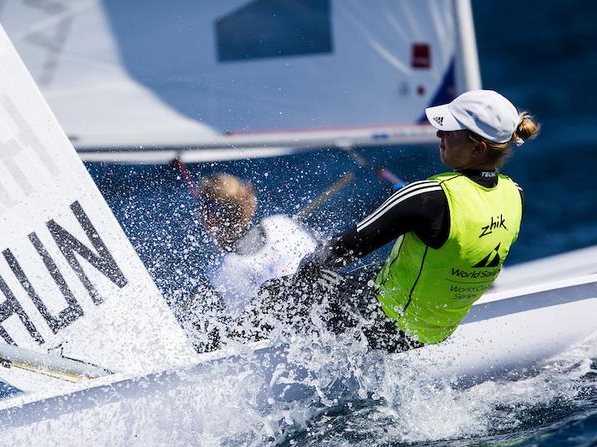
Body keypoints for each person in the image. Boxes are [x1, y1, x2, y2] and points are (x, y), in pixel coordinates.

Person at [257, 89, 540, 352]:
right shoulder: (516, 195)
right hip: (434, 331)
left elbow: (340, 251)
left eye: (450, 131)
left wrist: (302, 276)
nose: (440, 133)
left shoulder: (429, 196)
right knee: (366, 273)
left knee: (286, 286)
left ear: (477, 149)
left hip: (382, 324)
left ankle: (228, 349)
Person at [178, 173, 317, 349]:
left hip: (295, 339)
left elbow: (250, 329)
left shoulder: (225, 270)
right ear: (248, 203)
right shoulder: (281, 223)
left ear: (209, 220)